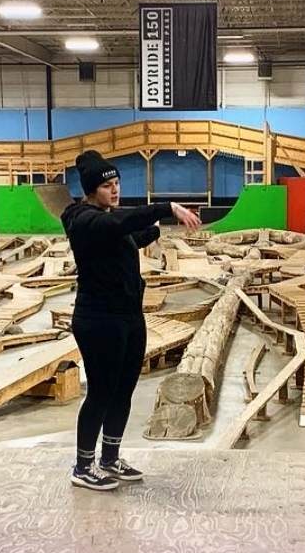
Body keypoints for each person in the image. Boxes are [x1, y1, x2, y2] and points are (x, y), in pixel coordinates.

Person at [60, 150, 201, 491]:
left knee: (123, 390)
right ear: (92, 189)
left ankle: (109, 458)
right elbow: (119, 225)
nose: (115, 189)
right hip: (98, 319)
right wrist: (167, 208)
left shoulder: (106, 218)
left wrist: (154, 231)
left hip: (128, 316)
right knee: (101, 392)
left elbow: (127, 236)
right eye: (108, 185)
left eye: (117, 183)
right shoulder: (82, 219)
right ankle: (83, 465)